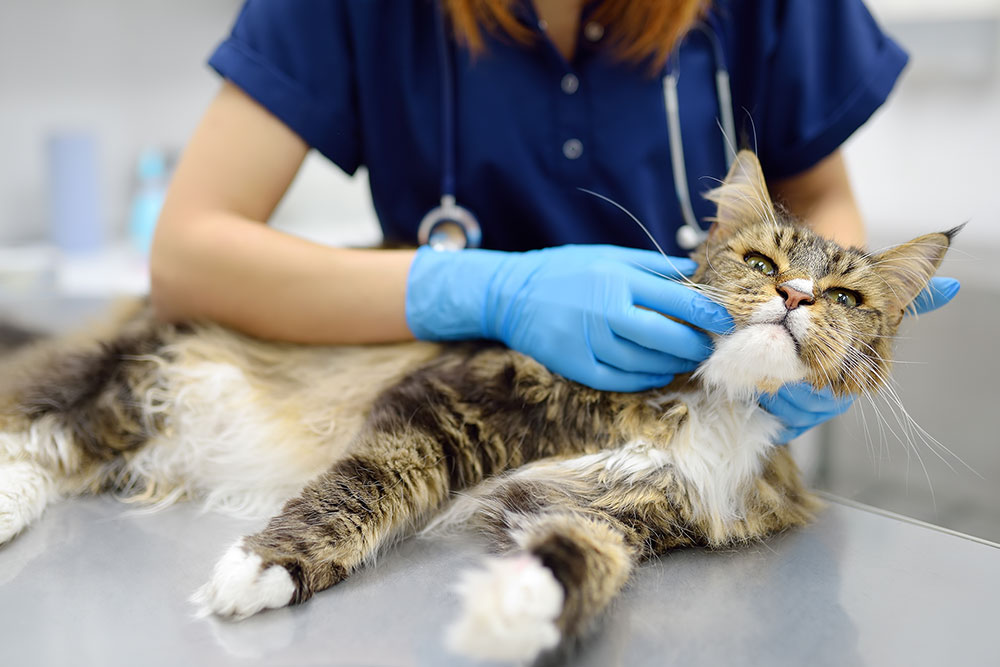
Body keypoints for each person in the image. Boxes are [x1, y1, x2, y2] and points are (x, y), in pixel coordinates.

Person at [150, 0, 957, 441]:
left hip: (706, 418)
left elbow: (820, 198)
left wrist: (829, 338)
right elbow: (189, 259)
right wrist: (489, 288)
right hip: (434, 424)